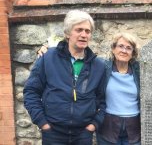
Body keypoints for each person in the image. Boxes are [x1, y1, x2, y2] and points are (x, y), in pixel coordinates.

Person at [23, 10, 106, 145]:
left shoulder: (98, 65)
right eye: (79, 30)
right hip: (53, 133)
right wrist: (43, 123)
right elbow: (31, 92)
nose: (84, 35)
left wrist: (93, 126)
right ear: (67, 33)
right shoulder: (48, 58)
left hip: (83, 135)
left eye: (87, 31)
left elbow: (103, 100)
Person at [96, 33, 141, 145]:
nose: (124, 51)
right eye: (120, 46)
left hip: (133, 129)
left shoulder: (139, 71)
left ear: (133, 53)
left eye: (128, 48)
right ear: (113, 49)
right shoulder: (103, 68)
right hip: (108, 127)